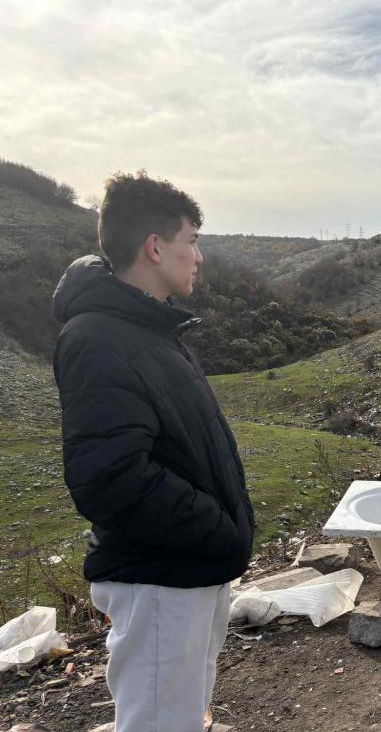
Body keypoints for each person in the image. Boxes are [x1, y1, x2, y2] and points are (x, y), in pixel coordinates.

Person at [52, 171, 254, 732]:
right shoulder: (98, 338)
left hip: (190, 569)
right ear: (155, 247)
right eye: (192, 240)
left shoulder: (152, 330)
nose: (199, 256)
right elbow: (109, 479)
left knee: (183, 717)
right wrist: (216, 527)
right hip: (161, 577)